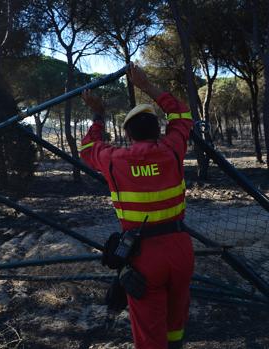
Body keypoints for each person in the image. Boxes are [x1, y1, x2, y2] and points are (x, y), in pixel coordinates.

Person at [79, 63, 194, 349]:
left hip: (143, 256)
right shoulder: (172, 149)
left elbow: (86, 148)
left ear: (129, 135)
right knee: (175, 322)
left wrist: (98, 115)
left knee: (148, 333)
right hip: (180, 250)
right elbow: (181, 114)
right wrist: (147, 86)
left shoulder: (114, 159)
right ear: (158, 130)